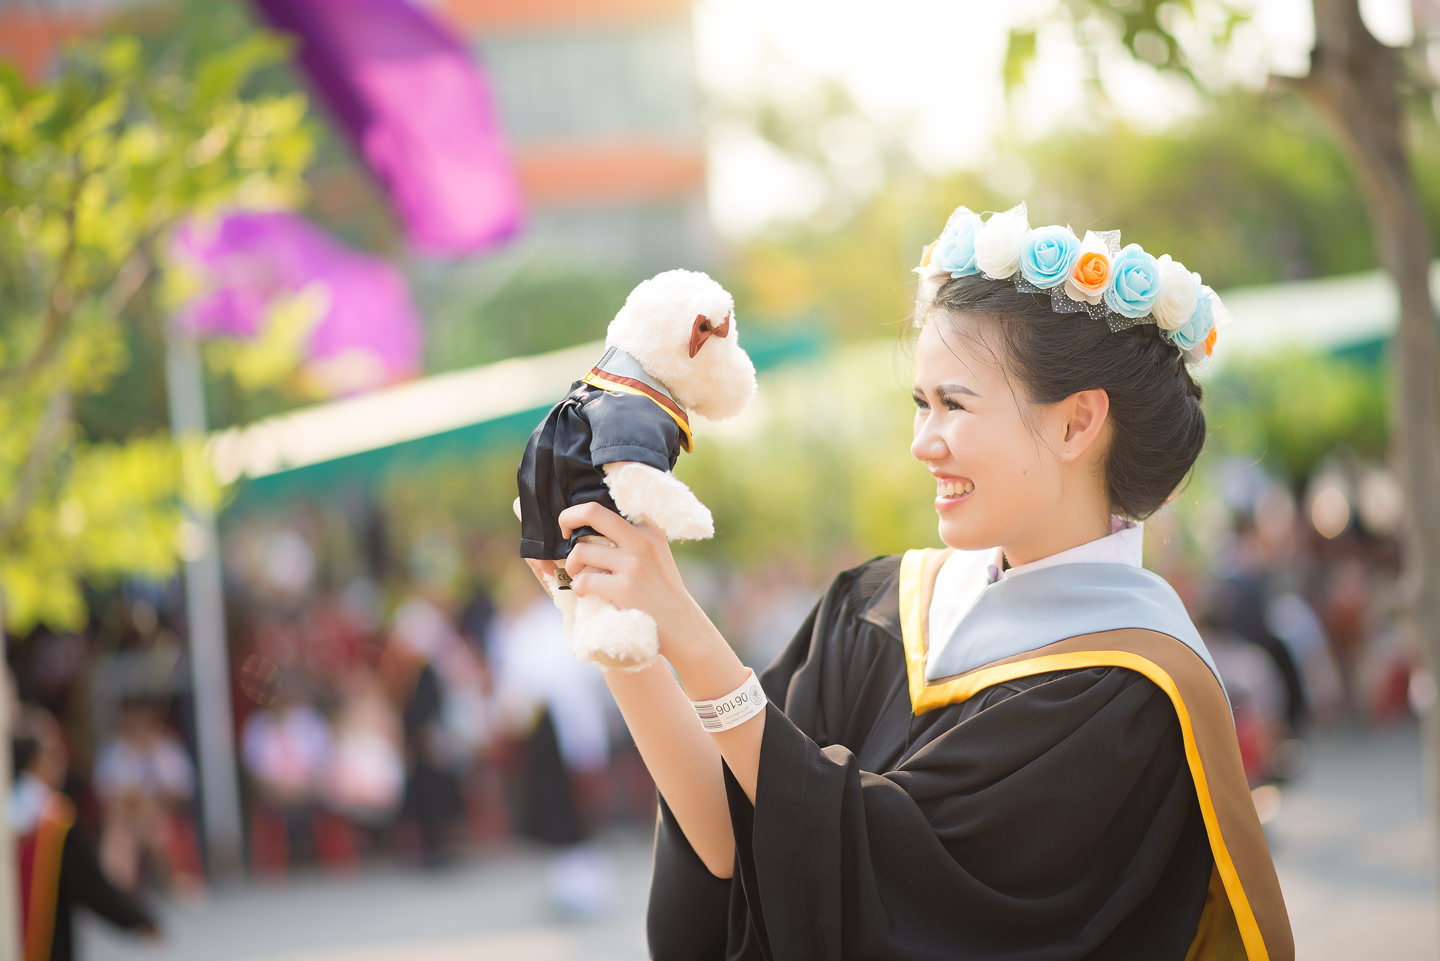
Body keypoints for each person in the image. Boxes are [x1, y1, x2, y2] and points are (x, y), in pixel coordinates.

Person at [527, 203, 1293, 960]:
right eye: (920, 403)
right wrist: (619, 622)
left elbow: (893, 893)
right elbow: (733, 845)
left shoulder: (1132, 693)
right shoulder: (881, 606)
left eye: (953, 404)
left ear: (1076, 424)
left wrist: (694, 636)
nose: (923, 443)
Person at [11, 706, 159, 961]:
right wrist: (139, 921)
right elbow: (91, 885)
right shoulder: (50, 819)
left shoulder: (11, 809)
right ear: (35, 762)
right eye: (54, 753)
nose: (62, 760)